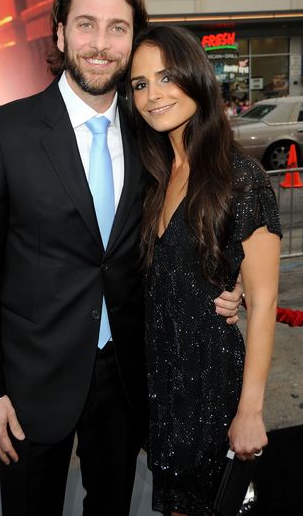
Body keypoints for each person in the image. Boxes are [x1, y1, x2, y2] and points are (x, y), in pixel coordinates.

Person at [0, 0, 242, 516]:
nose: (102, 44)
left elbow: (185, 229)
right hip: (30, 382)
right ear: (60, 33)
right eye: (86, 25)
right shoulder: (2, 131)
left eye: (118, 28)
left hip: (126, 374)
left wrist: (227, 289)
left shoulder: (151, 134)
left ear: (134, 40)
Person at [127, 25, 282, 516]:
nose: (154, 95)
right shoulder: (154, 175)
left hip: (214, 385)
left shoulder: (242, 177)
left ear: (195, 76)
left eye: (167, 76)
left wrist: (250, 411)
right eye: (140, 83)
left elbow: (263, 303)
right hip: (165, 381)